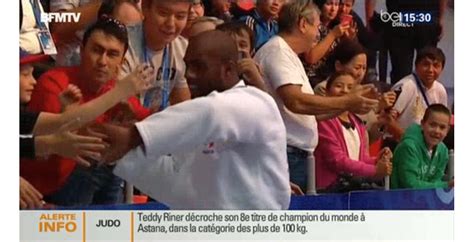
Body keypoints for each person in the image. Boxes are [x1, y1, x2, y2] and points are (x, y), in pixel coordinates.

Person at [97, 30, 290, 209]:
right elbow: (177, 185)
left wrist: (135, 134)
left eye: (199, 66)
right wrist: (121, 152)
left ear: (228, 70)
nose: (188, 75)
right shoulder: (195, 120)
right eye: (187, 66)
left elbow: (215, 111)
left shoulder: (257, 103)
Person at [22, 17, 152, 206]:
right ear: (82, 51)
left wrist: (132, 118)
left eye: (112, 54)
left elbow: (148, 129)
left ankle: (111, 228)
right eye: (97, 50)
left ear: (121, 62)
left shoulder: (119, 91)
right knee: (97, 160)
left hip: (88, 180)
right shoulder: (54, 82)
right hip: (46, 187)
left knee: (117, 160)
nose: (102, 61)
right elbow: (52, 140)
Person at [254, 0, 379, 192]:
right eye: (317, 25)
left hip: (296, 154)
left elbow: (308, 113)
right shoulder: (278, 52)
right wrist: (347, 100)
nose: (318, 32)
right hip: (286, 152)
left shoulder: (288, 54)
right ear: (303, 24)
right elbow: (295, 101)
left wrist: (350, 104)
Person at [314, 71, 392, 192]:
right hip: (330, 190)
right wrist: (374, 170)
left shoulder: (357, 122)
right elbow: (337, 160)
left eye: (350, 88)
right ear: (327, 92)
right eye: (339, 86)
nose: (345, 91)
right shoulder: (324, 120)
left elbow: (361, 159)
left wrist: (378, 160)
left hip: (352, 187)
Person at [120, 0, 192, 110]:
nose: (170, 24)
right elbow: (122, 105)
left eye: (180, 17)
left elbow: (184, 106)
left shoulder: (183, 48)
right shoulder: (121, 43)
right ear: (145, 8)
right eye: (163, 13)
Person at [365, 0, 448, 84]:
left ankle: (422, 95)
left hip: (413, 19)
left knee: (423, 70)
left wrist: (369, 18)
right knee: (404, 74)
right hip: (412, 18)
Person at [391, 104, 453, 189]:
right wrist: (446, 185)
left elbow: (436, 181)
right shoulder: (408, 147)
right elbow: (410, 184)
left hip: (426, 200)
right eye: (432, 125)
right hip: (399, 199)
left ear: (447, 130)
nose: (437, 131)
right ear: (423, 124)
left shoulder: (443, 151)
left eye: (442, 127)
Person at [391, 46, 448, 131]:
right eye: (426, 64)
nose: (430, 70)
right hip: (401, 141)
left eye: (436, 66)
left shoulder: (440, 90)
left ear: (442, 69)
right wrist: (408, 140)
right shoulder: (406, 86)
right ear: (416, 66)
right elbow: (388, 120)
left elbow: (443, 121)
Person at [217, 21, 266, 91]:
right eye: (230, 44)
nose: (237, 49)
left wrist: (257, 81)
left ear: (251, 51)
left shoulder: (255, 72)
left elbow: (266, 100)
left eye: (242, 45)